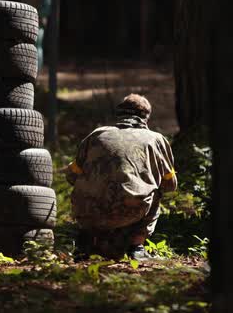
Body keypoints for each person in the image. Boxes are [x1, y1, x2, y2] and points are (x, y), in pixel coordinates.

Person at [66, 94, 177, 261]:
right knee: (156, 192)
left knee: (85, 191)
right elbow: (170, 185)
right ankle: (136, 246)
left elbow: (71, 175)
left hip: (88, 211)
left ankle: (85, 243)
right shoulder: (156, 140)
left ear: (119, 114)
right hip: (131, 210)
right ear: (146, 117)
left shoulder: (97, 134)